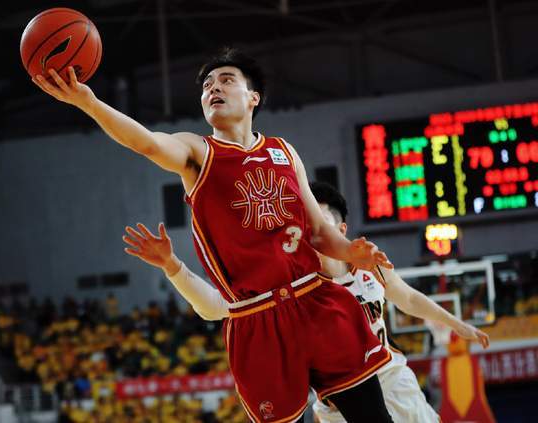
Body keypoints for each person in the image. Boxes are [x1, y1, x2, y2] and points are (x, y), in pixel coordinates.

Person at [34, 47, 394, 422]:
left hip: (315, 299)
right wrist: (89, 103)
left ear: (253, 98)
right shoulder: (198, 152)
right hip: (256, 317)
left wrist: (350, 251)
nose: (213, 88)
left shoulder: (284, 151)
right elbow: (147, 143)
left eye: (226, 80)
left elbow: (318, 231)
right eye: (207, 85)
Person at [121, 182, 490, 423]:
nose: (310, 229)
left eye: (319, 222)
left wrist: (456, 323)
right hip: (339, 407)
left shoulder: (367, 263)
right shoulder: (287, 285)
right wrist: (172, 266)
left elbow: (407, 296)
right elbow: (214, 307)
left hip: (395, 383)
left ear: (339, 230)